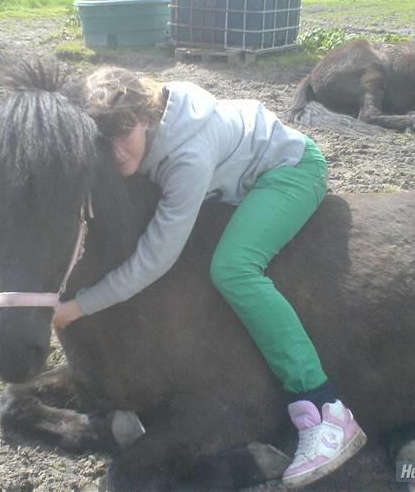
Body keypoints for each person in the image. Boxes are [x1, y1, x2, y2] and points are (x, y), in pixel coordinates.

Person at [53, 67, 367, 488]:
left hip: (290, 172)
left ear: (146, 117)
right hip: (237, 179)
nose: (117, 153)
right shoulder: (149, 120)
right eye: (103, 141)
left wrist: (78, 307)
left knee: (233, 268)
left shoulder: (187, 156)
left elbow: (155, 258)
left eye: (123, 134)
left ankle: (324, 409)